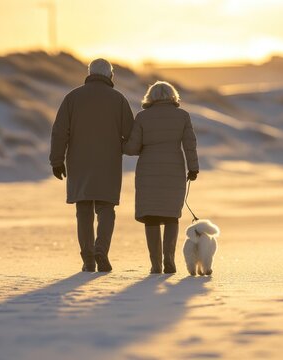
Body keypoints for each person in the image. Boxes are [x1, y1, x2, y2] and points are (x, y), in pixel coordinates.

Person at [50, 58, 134, 272]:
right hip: (108, 163)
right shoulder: (119, 100)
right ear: (110, 75)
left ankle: (88, 257)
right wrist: (124, 147)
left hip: (79, 163)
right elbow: (130, 134)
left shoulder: (72, 98)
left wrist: (57, 161)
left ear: (89, 73)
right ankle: (101, 251)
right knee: (106, 209)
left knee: (84, 210)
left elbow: (60, 132)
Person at [123, 81, 199, 274]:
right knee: (171, 215)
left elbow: (132, 148)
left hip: (148, 170)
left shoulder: (142, 117)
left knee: (151, 217)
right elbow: (189, 145)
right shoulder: (182, 116)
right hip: (174, 170)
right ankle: (169, 260)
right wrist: (193, 168)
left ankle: (156, 264)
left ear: (151, 96)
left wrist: (120, 143)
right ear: (172, 95)